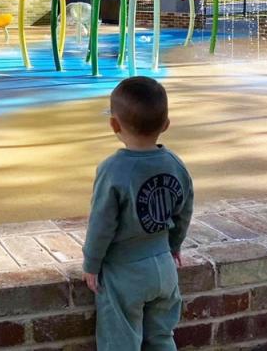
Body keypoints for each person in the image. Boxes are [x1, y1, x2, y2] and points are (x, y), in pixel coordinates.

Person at [82, 76, 194, 351]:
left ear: (113, 124)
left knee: (119, 341)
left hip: (124, 271)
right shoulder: (174, 164)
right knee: (161, 337)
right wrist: (174, 246)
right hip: (164, 268)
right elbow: (184, 209)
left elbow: (102, 223)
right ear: (166, 125)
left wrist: (91, 263)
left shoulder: (113, 169)